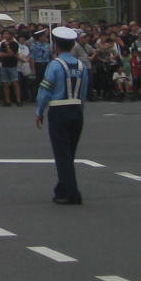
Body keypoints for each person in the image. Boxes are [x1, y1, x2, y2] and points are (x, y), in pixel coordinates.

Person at [34, 26, 91, 205]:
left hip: (59, 110)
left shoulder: (55, 65)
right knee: (69, 152)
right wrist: (80, 109)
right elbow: (83, 91)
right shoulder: (81, 65)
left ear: (56, 45)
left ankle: (73, 193)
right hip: (76, 110)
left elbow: (45, 90)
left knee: (61, 154)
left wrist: (39, 111)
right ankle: (61, 189)